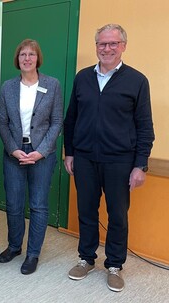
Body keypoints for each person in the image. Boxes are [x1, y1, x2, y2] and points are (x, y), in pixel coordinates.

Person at [63, 24, 154, 292]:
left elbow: (144, 126)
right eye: (102, 44)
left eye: (113, 43)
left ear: (123, 46)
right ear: (96, 47)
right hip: (85, 160)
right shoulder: (82, 78)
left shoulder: (137, 80)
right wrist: (70, 152)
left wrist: (140, 164)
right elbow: (71, 119)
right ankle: (86, 258)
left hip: (120, 162)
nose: (107, 48)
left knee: (117, 215)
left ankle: (114, 265)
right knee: (87, 212)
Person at [0, 39, 63, 275]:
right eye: (22, 54)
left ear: (38, 58)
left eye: (31, 54)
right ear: (17, 59)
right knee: (14, 205)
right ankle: (14, 246)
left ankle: (33, 253)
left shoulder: (52, 85)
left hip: (42, 155)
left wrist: (41, 151)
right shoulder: (8, 87)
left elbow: (56, 122)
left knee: (38, 206)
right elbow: (2, 122)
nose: (27, 58)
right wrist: (13, 149)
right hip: (14, 152)